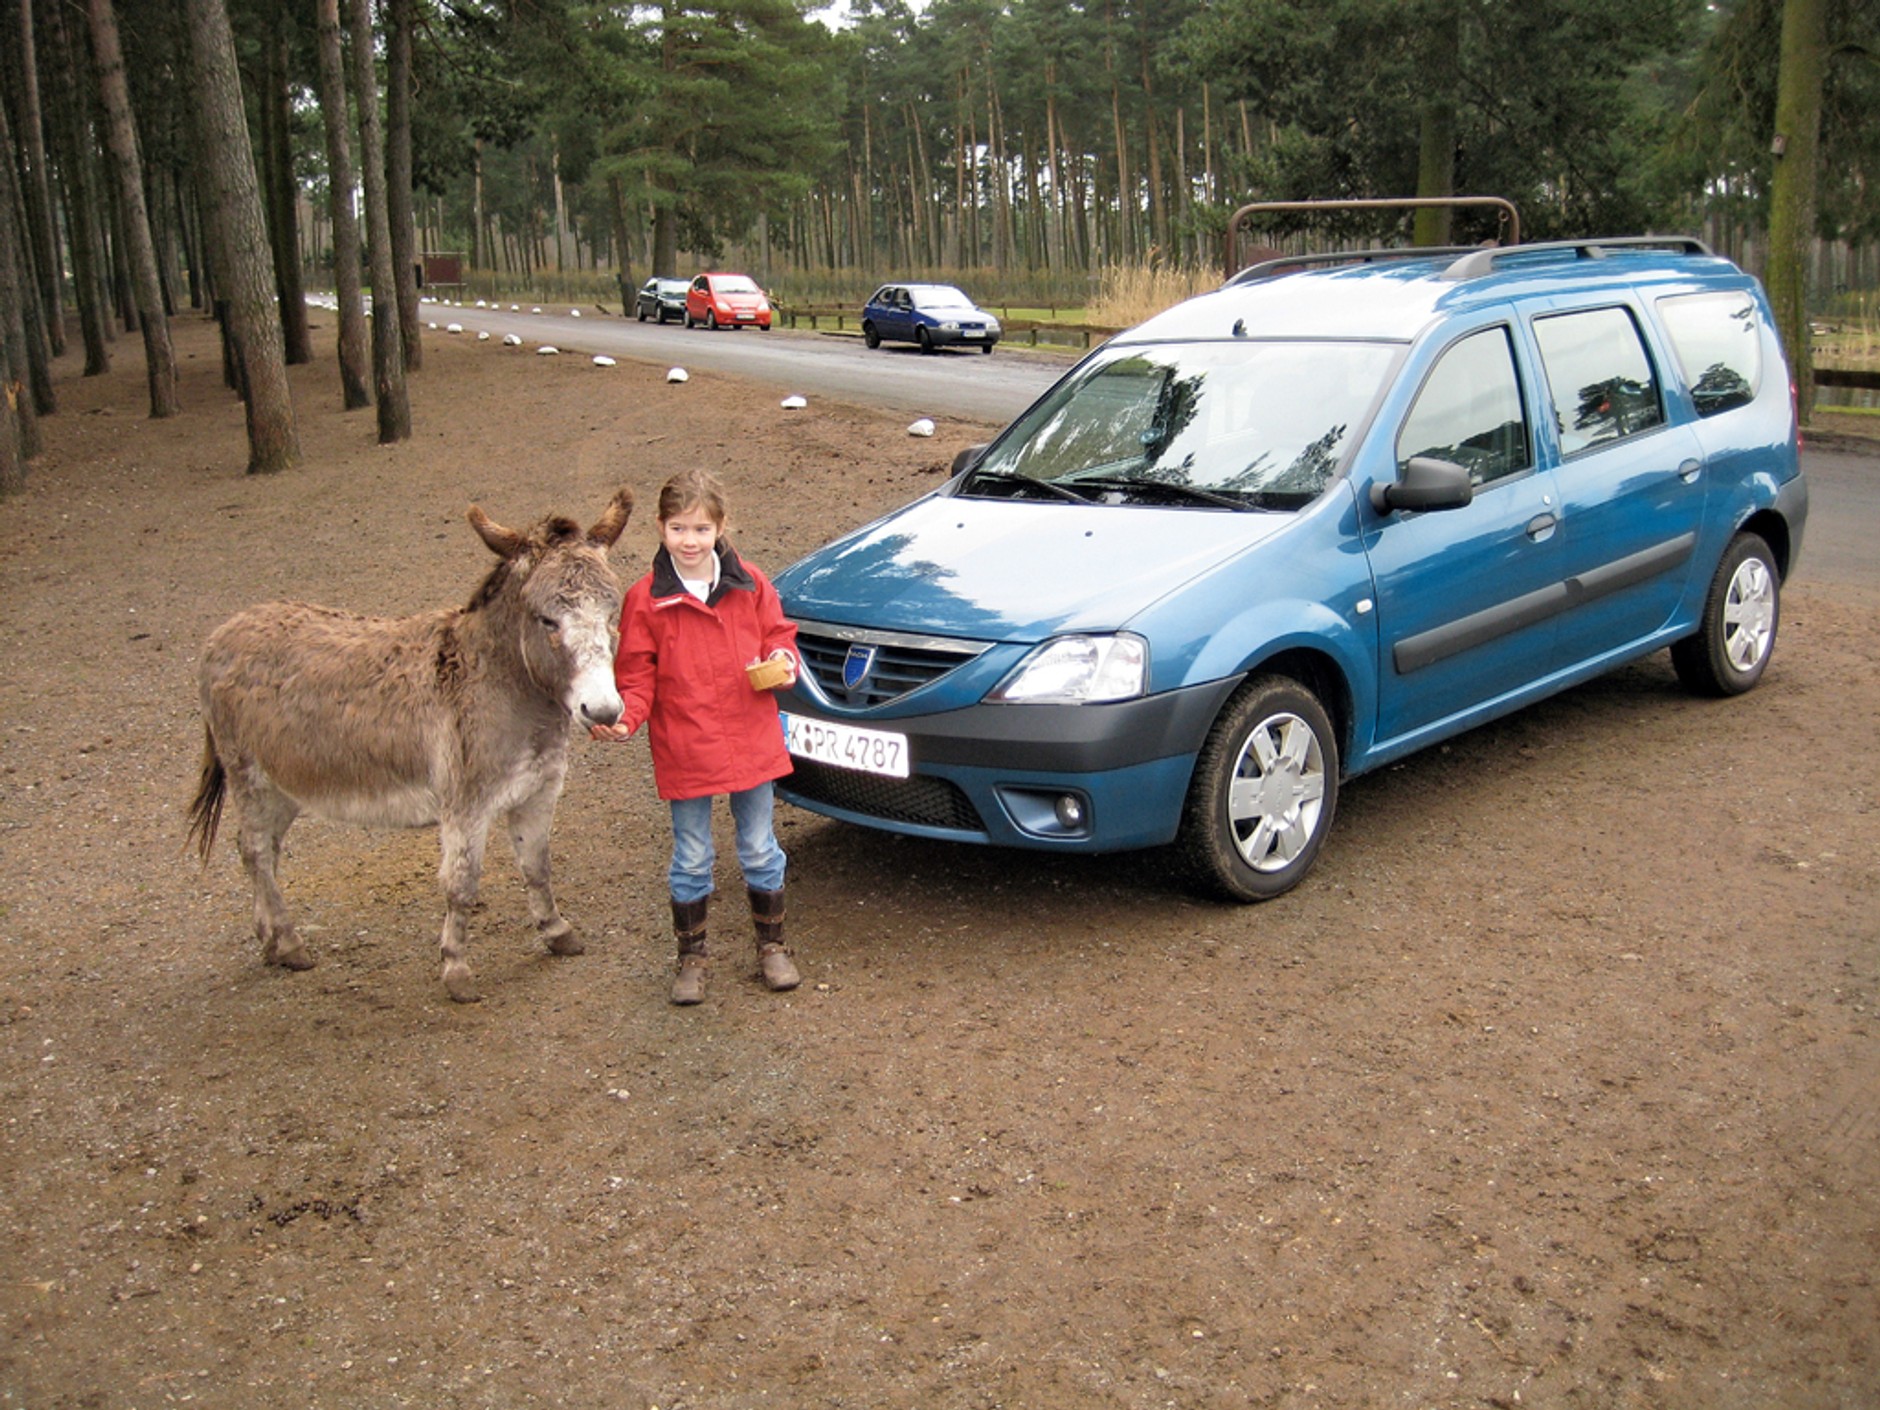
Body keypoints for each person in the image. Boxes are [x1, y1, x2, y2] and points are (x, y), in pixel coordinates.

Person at [589, 469, 803, 1005]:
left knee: (759, 847)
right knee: (690, 854)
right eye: (679, 528)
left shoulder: (751, 583)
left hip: (750, 737)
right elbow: (637, 675)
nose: (690, 540)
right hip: (686, 744)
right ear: (661, 529)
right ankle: (692, 957)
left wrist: (782, 660)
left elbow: (780, 635)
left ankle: (772, 948)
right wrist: (625, 717)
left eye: (701, 529)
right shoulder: (646, 599)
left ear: (722, 528)